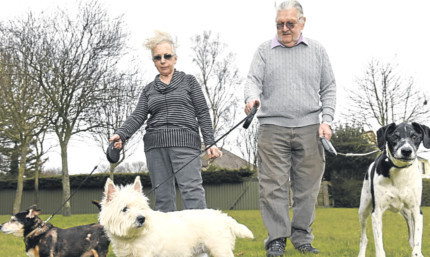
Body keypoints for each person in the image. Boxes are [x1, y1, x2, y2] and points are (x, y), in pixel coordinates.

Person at [244, 1, 336, 256]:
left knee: (308, 188)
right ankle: (277, 239)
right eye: (279, 24)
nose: (284, 28)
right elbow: (252, 81)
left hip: (310, 128)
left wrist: (326, 120)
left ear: (302, 22)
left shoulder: (317, 50)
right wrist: (251, 99)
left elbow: (328, 87)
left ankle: (302, 237)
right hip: (272, 128)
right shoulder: (264, 51)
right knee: (272, 186)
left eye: (290, 24)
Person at [110, 30, 222, 213]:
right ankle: (167, 242)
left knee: (192, 193)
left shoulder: (189, 82)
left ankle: (200, 241)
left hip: (185, 144)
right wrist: (121, 134)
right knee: (162, 198)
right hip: (156, 147)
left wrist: (210, 142)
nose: (163, 60)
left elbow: (202, 112)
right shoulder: (148, 90)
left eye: (167, 56)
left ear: (175, 58)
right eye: (158, 57)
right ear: (154, 61)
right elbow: (137, 116)